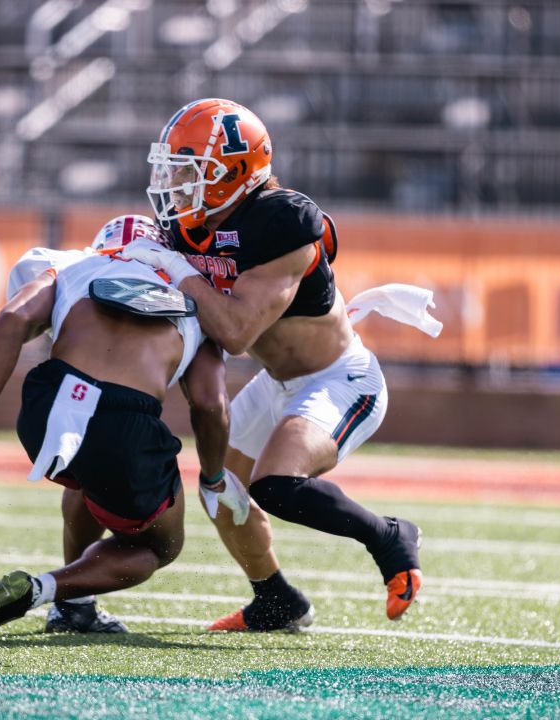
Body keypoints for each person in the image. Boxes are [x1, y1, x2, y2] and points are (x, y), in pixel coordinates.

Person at [125, 98, 431, 632]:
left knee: (277, 484)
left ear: (235, 173)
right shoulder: (188, 225)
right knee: (218, 486)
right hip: (278, 381)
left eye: (193, 170)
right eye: (173, 167)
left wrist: (178, 272)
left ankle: (388, 535)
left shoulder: (282, 221)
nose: (176, 181)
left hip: (340, 378)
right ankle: (276, 599)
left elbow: (237, 333)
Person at [0, 215, 252, 639]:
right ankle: (45, 590)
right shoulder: (193, 291)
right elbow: (211, 403)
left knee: (89, 479)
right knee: (157, 547)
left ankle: (74, 610)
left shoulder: (72, 265)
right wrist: (212, 478)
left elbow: (12, 319)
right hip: (123, 424)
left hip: (47, 404)